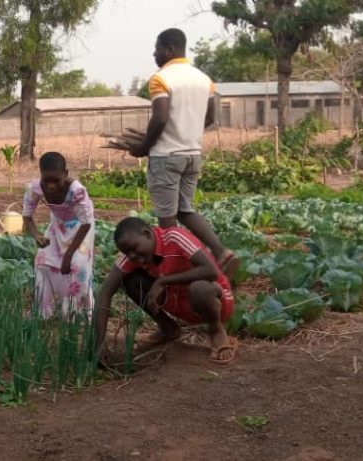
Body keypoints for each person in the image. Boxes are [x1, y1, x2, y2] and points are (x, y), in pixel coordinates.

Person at [112, 28, 238, 276]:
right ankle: (220, 252)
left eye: (157, 49)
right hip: (193, 155)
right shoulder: (204, 79)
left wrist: (143, 148)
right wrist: (185, 132)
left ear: (170, 49)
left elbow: (160, 118)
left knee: (167, 221)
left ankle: (173, 271)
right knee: (185, 210)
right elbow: (210, 118)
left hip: (166, 158)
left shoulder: (161, 79)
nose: (154, 54)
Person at [93, 217, 238, 364]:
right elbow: (105, 292)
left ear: (147, 234)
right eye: (128, 253)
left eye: (135, 249)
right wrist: (99, 344)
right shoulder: (133, 256)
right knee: (129, 280)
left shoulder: (174, 238)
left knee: (199, 289)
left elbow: (210, 271)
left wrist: (163, 281)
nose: (133, 256)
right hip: (180, 303)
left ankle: (216, 330)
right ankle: (168, 328)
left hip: (214, 301)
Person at [23, 152, 95, 319]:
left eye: (56, 180)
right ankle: (44, 310)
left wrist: (68, 255)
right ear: (40, 175)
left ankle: (77, 314)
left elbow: (86, 223)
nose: (50, 186)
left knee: (78, 265)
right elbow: (27, 215)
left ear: (66, 173)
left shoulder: (77, 191)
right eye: (46, 180)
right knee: (42, 262)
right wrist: (37, 235)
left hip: (81, 227)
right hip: (58, 225)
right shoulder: (35, 188)